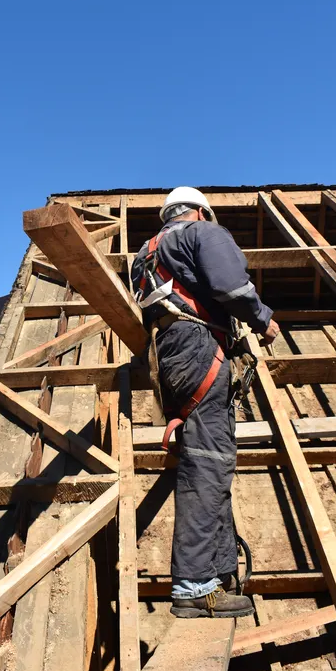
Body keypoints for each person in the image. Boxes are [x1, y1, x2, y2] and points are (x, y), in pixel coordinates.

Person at [131, 187, 280, 618]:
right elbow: (231, 286)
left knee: (206, 459)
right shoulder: (202, 233)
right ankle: (195, 586)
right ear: (200, 211)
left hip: (168, 354)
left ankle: (219, 571)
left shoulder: (144, 253)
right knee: (209, 464)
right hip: (199, 347)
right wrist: (264, 320)